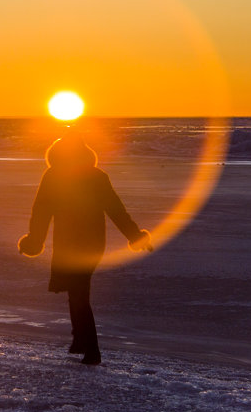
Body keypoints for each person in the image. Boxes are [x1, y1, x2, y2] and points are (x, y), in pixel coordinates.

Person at [18, 135, 152, 365]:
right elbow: (116, 210)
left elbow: (41, 211)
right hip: (92, 243)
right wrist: (134, 236)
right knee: (76, 290)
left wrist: (34, 241)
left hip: (71, 244)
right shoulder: (97, 176)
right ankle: (79, 340)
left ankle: (92, 350)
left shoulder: (54, 176)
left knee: (79, 294)